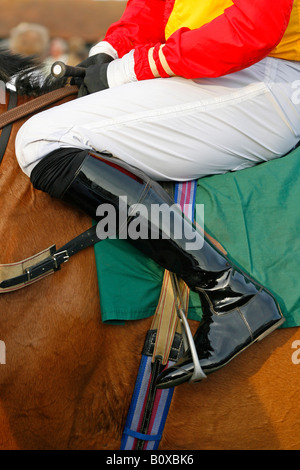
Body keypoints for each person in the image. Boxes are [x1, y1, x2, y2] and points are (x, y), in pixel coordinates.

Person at [15, 0, 299, 388]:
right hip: (209, 68)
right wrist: (106, 54)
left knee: (40, 139)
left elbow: (252, 28)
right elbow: (154, 8)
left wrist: (136, 66)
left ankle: (233, 294)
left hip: (265, 74)